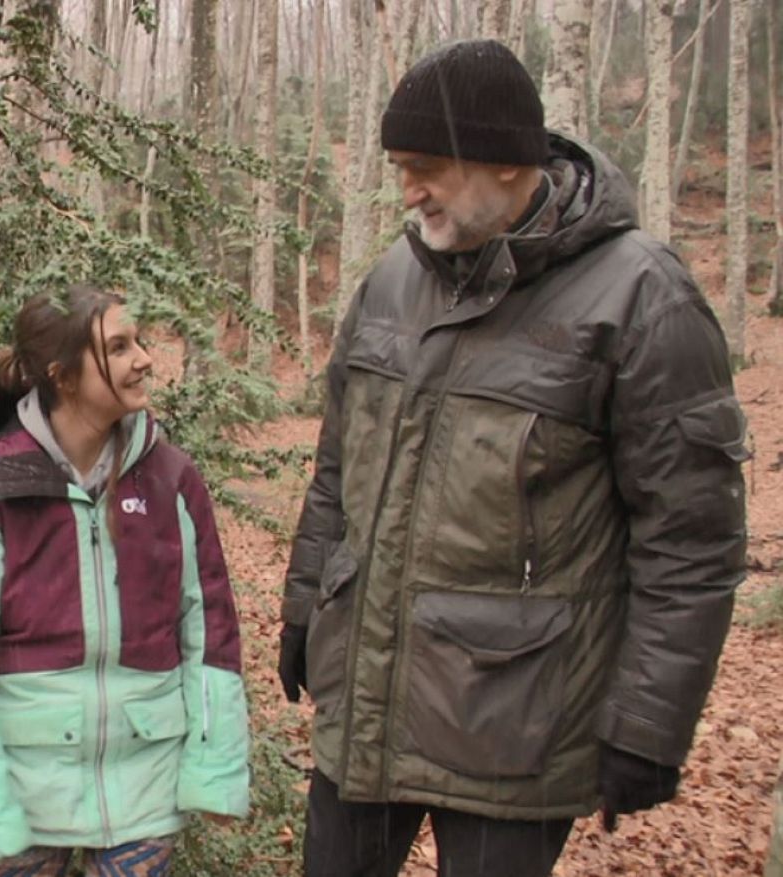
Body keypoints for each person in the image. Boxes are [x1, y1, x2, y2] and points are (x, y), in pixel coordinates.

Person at [278, 39, 749, 877]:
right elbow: (337, 470)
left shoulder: (641, 298)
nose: (407, 189)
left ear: (504, 161)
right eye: (398, 167)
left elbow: (691, 536)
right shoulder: (391, 281)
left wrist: (648, 721)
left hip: (515, 725)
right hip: (368, 703)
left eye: (425, 165)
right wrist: (308, 604)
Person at [0, 286, 251, 875]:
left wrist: (216, 766)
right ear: (64, 376)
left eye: (139, 342)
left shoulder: (171, 481)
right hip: (23, 790)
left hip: (144, 784)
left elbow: (211, 628)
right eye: (119, 347)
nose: (144, 358)